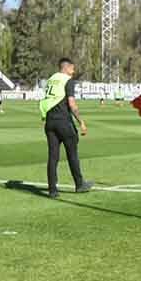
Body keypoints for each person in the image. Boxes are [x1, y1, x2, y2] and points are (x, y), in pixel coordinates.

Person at [39, 58, 93, 198]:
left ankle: (52, 190)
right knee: (72, 153)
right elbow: (72, 104)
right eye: (72, 69)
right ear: (67, 68)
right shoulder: (67, 81)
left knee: (53, 156)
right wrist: (81, 121)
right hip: (63, 121)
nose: (73, 72)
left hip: (50, 122)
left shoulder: (51, 79)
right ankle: (79, 184)